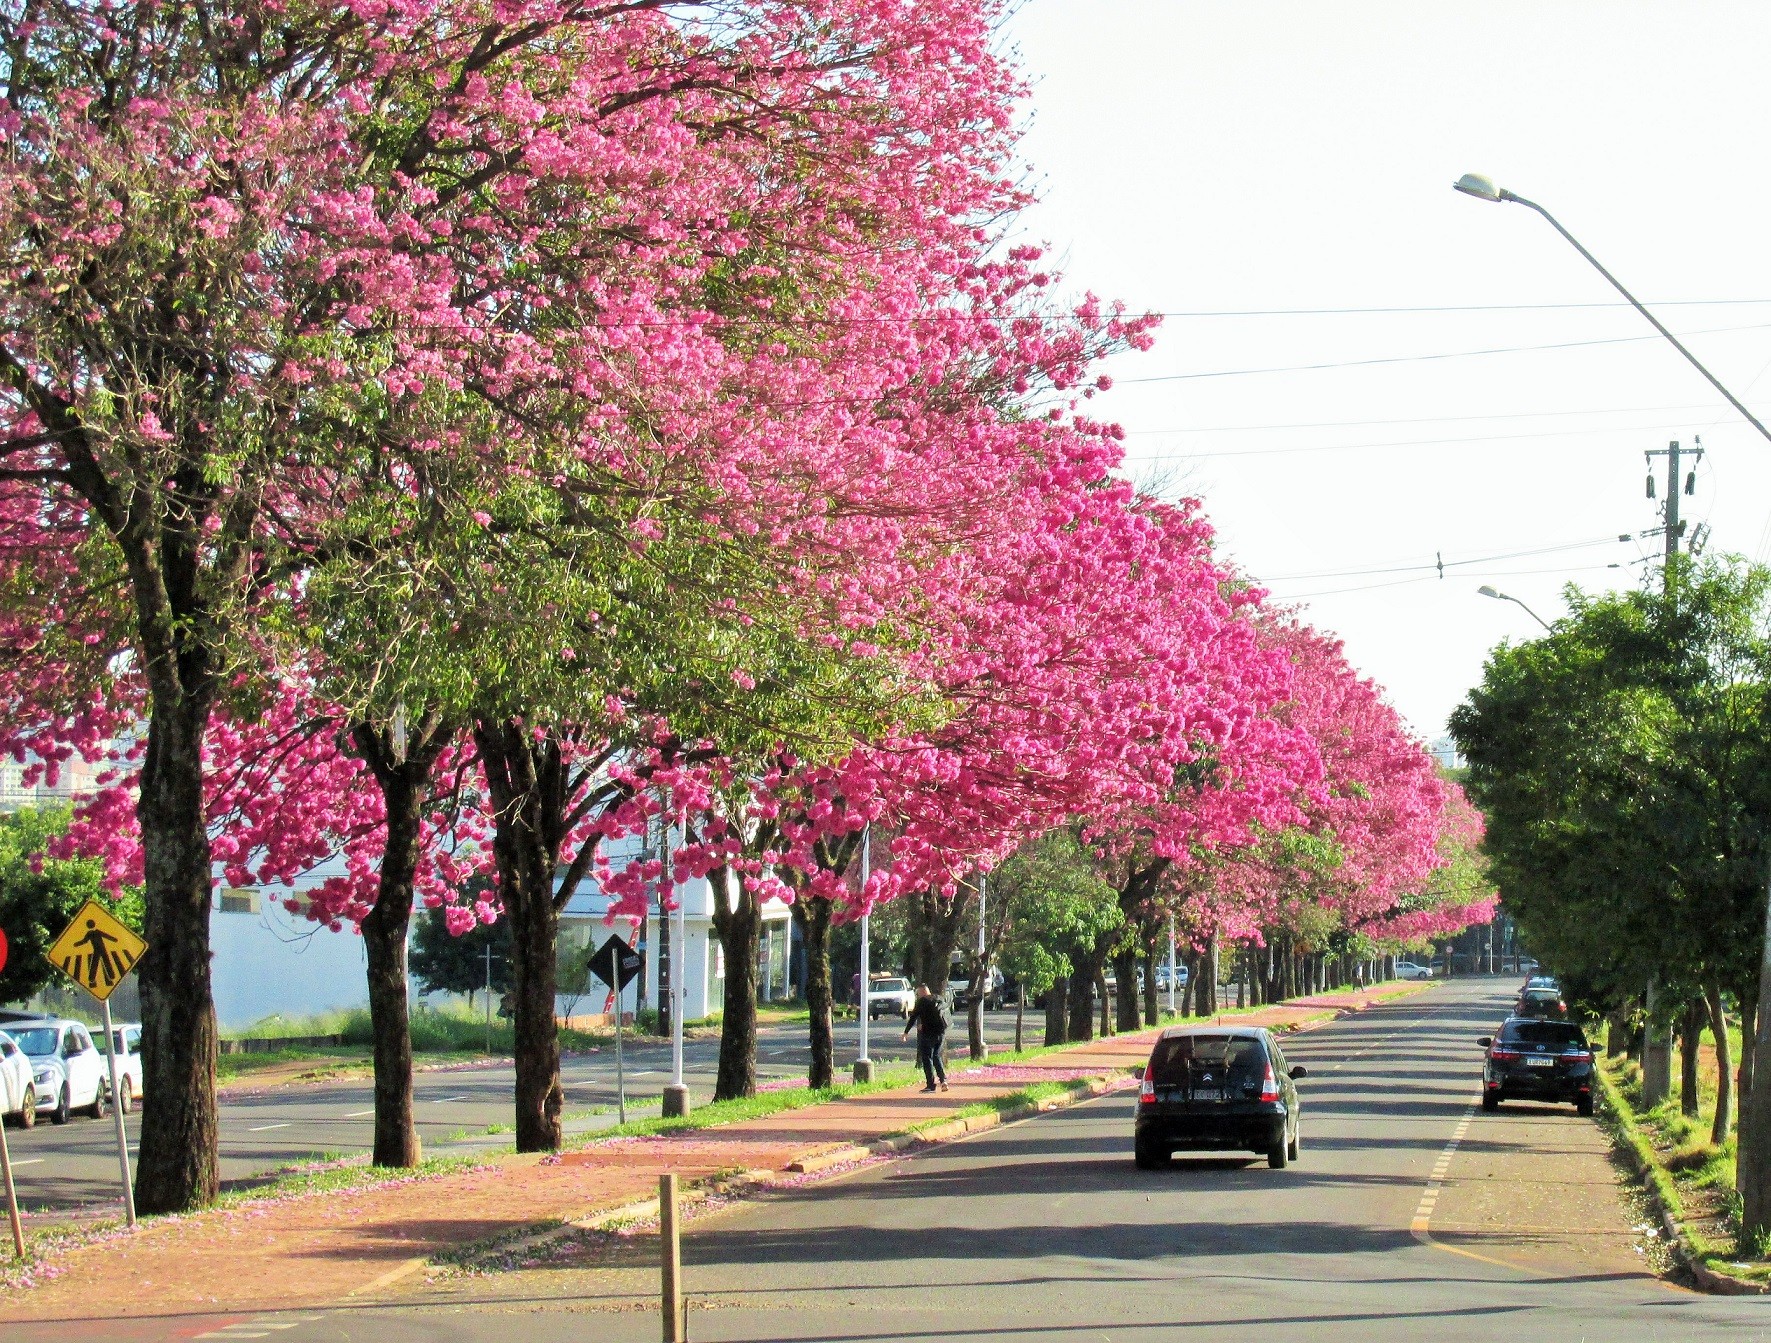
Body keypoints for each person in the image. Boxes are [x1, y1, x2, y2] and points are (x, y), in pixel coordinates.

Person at [902, 984, 949, 1092]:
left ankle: (931, 1085)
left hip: (928, 1034)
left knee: (927, 1058)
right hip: (941, 1033)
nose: (918, 996)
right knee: (937, 1056)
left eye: (918, 994)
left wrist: (906, 1032)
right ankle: (943, 1080)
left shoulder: (922, 1002)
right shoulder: (939, 999)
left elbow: (913, 1017)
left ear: (922, 992)